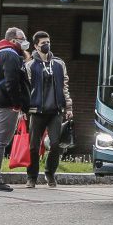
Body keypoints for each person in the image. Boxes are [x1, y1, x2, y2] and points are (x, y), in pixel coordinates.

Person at [24, 31, 74, 188]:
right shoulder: (30, 65)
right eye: (43, 43)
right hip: (36, 111)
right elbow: (26, 89)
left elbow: (65, 86)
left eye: (48, 41)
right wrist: (23, 109)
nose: (47, 45)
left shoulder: (59, 64)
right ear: (36, 46)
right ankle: (31, 177)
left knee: (55, 144)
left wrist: (69, 106)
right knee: (33, 146)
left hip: (55, 111)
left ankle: (50, 173)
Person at [0, 27, 30, 192]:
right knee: (0, 142)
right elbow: (12, 82)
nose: (25, 42)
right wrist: (17, 103)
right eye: (22, 38)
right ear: (13, 40)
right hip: (5, 105)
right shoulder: (10, 55)